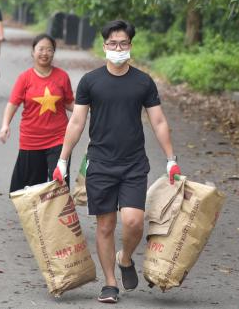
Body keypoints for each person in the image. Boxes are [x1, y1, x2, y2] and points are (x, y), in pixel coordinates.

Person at [53, 20, 181, 304]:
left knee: (134, 222)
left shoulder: (143, 82)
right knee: (106, 225)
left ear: (130, 46)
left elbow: (158, 121)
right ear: (104, 46)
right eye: (113, 44)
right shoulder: (90, 81)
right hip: (100, 163)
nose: (118, 48)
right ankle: (110, 282)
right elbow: (76, 121)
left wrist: (171, 159)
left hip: (134, 163)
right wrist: (63, 160)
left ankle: (125, 257)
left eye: (123, 43)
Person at [0, 34, 74, 192]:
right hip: (31, 139)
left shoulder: (62, 76)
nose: (45, 53)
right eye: (41, 49)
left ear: (53, 53)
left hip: (59, 137)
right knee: (32, 188)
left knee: (59, 182)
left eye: (49, 49)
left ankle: (58, 216)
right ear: (33, 52)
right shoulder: (25, 78)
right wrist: (5, 125)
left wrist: (91, 108)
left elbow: (69, 103)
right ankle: (36, 216)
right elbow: (13, 103)